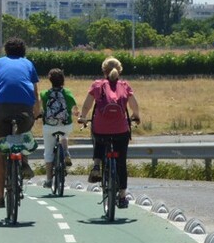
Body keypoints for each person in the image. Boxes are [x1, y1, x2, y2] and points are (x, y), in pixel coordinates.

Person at [0, 37, 41, 208]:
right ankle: (24, 162)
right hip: (25, 108)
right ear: (23, 51)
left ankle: (0, 196)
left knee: (1, 150)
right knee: (23, 135)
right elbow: (35, 92)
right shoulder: (29, 64)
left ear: (6, 50)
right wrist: (37, 112)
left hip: (3, 108)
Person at [77, 57, 141, 208]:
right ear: (119, 70)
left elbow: (87, 106)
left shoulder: (97, 85)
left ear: (103, 71)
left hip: (101, 128)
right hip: (121, 129)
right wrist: (136, 116)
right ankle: (123, 196)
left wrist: (82, 117)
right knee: (121, 162)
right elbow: (134, 105)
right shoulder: (124, 85)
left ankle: (97, 164)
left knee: (99, 137)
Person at [39, 68, 79, 189]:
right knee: (64, 136)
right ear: (63, 80)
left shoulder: (44, 94)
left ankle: (49, 180)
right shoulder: (67, 93)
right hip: (66, 125)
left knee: (48, 152)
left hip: (49, 127)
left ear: (50, 80)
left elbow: (40, 109)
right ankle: (66, 152)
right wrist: (76, 113)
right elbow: (74, 109)